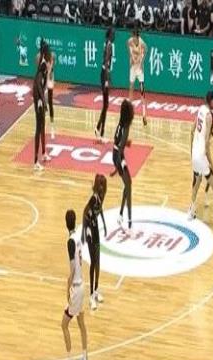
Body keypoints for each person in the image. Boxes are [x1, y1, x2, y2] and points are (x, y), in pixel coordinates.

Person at [188, 90, 213, 235]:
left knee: (196, 181)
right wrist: (211, 162)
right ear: (210, 101)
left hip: (194, 154)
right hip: (201, 155)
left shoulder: (200, 110)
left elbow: (191, 130)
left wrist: (191, 151)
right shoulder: (209, 116)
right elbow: (206, 143)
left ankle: (191, 210)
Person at [61, 209, 89, 360]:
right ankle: (84, 359)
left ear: (66, 223)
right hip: (82, 285)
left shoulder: (70, 242)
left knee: (64, 324)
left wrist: (68, 286)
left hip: (76, 288)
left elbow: (72, 267)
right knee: (81, 324)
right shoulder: (78, 237)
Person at [82, 175, 108, 311]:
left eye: (104, 185)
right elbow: (85, 212)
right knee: (93, 263)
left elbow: (100, 210)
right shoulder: (93, 198)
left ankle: (96, 290)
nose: (102, 187)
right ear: (98, 186)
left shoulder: (100, 199)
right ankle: (91, 296)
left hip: (96, 230)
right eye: (101, 185)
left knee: (98, 263)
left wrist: (104, 224)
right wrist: (85, 232)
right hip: (91, 233)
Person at [113, 100, 135, 233]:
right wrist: (117, 167)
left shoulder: (121, 123)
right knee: (128, 185)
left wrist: (125, 143)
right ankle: (130, 223)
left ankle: (121, 215)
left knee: (128, 184)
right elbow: (120, 149)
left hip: (116, 154)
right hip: (118, 157)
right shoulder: (126, 128)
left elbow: (116, 141)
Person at [95, 27, 114, 143]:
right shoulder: (109, 45)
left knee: (106, 105)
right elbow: (106, 62)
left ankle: (98, 129)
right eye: (113, 34)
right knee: (105, 105)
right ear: (110, 34)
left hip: (104, 73)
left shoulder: (107, 43)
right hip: (104, 74)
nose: (114, 36)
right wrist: (107, 79)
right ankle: (100, 133)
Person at [128, 29, 148, 126]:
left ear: (137, 36)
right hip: (133, 68)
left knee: (142, 91)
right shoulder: (129, 41)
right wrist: (131, 58)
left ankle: (144, 115)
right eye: (132, 36)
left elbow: (146, 50)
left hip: (139, 69)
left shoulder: (142, 43)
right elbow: (129, 49)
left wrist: (142, 62)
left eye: (134, 37)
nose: (133, 38)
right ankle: (129, 112)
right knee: (131, 88)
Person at [33, 61, 47, 171]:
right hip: (39, 105)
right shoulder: (39, 77)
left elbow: (42, 89)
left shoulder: (41, 75)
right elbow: (39, 91)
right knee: (38, 131)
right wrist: (43, 102)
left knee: (42, 128)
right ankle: (35, 162)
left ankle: (43, 154)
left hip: (40, 104)